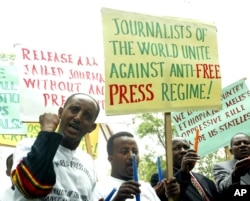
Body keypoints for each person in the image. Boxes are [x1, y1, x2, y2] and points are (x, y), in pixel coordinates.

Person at [11, 93, 101, 201]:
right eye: (74, 109)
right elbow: (31, 187)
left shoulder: (88, 161)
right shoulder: (28, 145)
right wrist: (47, 131)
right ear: (60, 113)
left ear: (92, 127)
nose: (78, 118)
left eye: (87, 115)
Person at [92, 131, 180, 201]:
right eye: (124, 151)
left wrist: (173, 197)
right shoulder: (98, 189)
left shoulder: (146, 188)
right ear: (110, 159)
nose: (132, 156)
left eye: (135, 151)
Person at [151, 137, 220, 201]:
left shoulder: (206, 180)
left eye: (186, 147)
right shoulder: (161, 178)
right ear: (167, 154)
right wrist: (183, 173)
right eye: (176, 148)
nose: (183, 151)